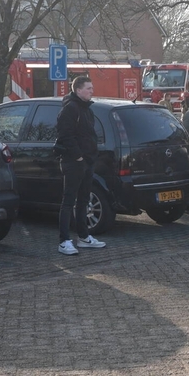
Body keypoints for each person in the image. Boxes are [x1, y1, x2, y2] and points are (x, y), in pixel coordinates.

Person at [54, 76, 106, 255]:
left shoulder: (87, 109)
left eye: (92, 88)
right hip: (73, 163)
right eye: (89, 88)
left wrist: (90, 157)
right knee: (68, 201)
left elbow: (89, 135)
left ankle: (83, 237)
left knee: (84, 200)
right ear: (78, 90)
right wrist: (77, 158)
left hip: (87, 162)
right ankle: (64, 241)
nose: (92, 91)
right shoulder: (70, 109)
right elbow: (65, 136)